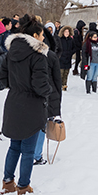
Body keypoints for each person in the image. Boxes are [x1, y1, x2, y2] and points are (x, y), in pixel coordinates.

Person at [0, 15, 52, 195]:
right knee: (28, 150)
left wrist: (16, 86)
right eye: (42, 35)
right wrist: (49, 91)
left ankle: (7, 182)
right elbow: (40, 85)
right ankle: (23, 186)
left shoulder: (10, 53)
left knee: (14, 146)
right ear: (36, 35)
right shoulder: (37, 57)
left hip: (13, 102)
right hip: (31, 106)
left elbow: (2, 78)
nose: (44, 38)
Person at [33, 34, 62, 165]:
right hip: (47, 94)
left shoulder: (27, 54)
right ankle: (36, 154)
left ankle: (32, 152)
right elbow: (57, 81)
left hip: (32, 94)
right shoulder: (50, 56)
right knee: (41, 125)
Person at [57, 26, 75, 91]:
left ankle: (64, 86)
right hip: (61, 59)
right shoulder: (60, 39)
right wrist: (60, 54)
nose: (67, 33)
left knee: (66, 74)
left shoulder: (71, 40)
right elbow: (57, 48)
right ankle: (59, 86)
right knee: (60, 74)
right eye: (65, 32)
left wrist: (70, 53)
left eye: (68, 32)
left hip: (68, 59)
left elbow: (74, 48)